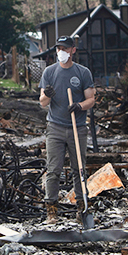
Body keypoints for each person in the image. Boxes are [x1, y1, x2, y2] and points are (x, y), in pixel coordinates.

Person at [39, 35, 96, 224]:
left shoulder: (82, 72)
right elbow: (42, 103)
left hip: (77, 127)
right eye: (58, 49)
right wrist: (47, 95)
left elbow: (91, 99)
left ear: (73, 50)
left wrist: (79, 106)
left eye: (65, 48)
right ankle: (51, 211)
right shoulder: (49, 72)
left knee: (78, 169)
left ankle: (81, 208)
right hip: (55, 127)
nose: (61, 52)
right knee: (53, 170)